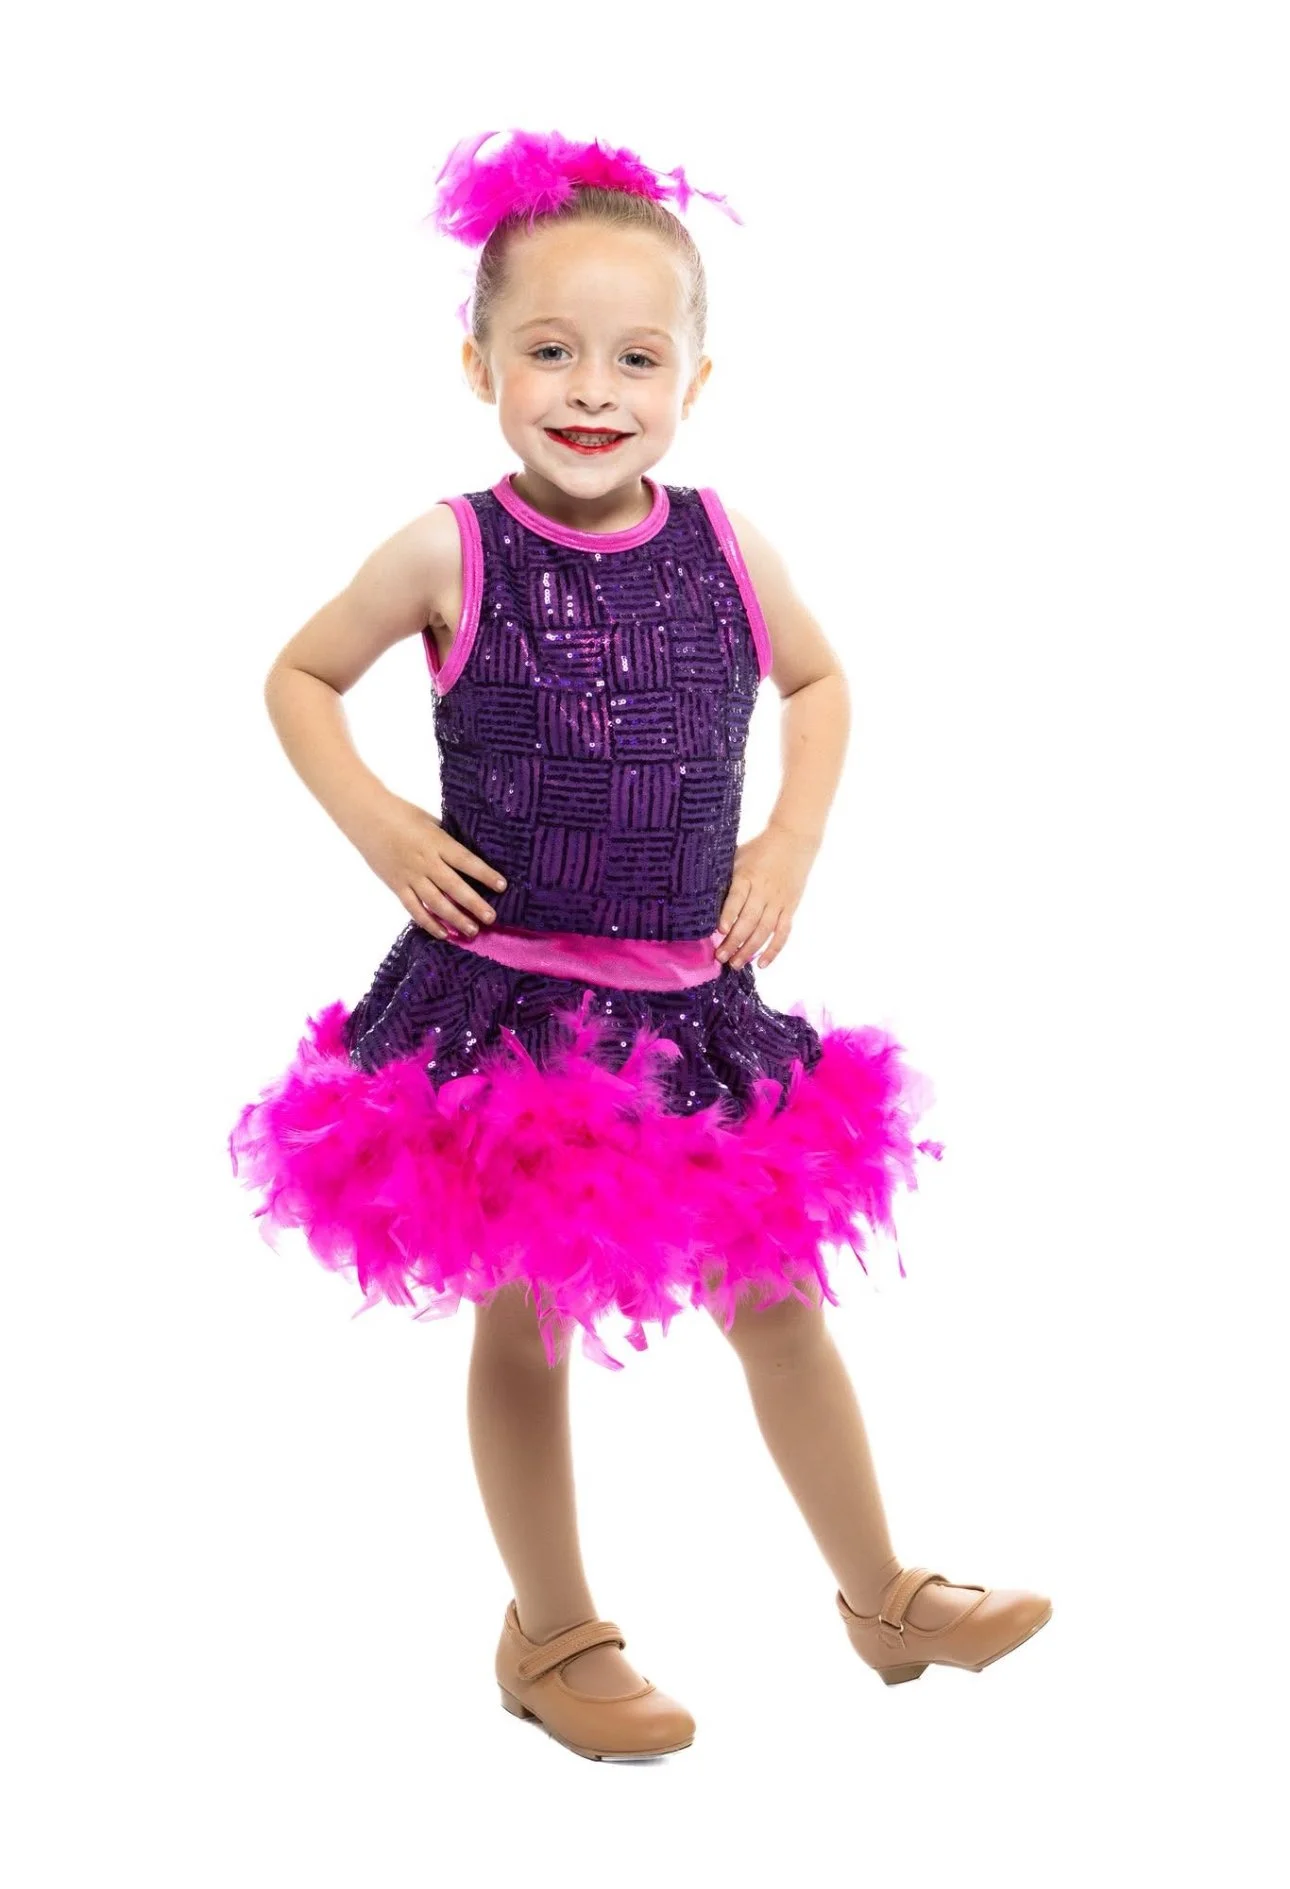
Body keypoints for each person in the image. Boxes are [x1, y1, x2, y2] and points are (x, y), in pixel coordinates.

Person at [228, 127, 1051, 1763]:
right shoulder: (448, 548)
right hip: (514, 1019)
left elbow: (815, 684)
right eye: (547, 349)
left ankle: (882, 1593)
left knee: (781, 1300)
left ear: (696, 378)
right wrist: (386, 827)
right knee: (525, 1322)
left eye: (635, 356)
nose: (590, 387)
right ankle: (552, 1633)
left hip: (693, 1006)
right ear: (477, 363)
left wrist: (789, 837)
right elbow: (296, 678)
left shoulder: (728, 544)